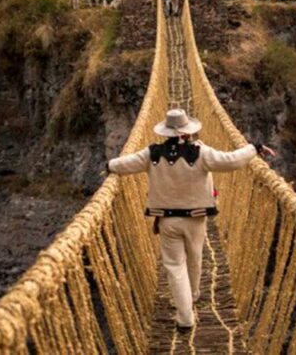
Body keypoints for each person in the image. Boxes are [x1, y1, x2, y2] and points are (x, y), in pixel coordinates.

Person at [105, 109, 276, 332]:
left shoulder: (152, 153)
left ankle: (185, 318)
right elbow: (231, 161)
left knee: (175, 266)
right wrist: (255, 148)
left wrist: (109, 167)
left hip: (167, 220)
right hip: (195, 219)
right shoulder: (201, 152)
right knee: (195, 259)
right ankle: (192, 295)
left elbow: (125, 164)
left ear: (166, 133)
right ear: (188, 132)